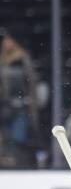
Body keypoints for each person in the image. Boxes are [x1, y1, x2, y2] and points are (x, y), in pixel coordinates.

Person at [0, 30, 39, 167]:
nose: (6, 43)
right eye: (4, 41)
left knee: (19, 137)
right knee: (5, 137)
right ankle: (6, 163)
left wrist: (31, 102)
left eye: (9, 40)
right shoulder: (1, 59)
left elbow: (31, 81)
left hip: (22, 104)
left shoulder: (23, 58)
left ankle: (20, 163)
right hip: (4, 104)